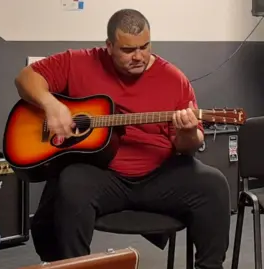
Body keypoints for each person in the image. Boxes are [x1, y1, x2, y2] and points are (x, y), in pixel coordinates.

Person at [14, 8, 230, 269]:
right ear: (109, 46)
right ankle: (72, 266)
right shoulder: (79, 62)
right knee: (69, 184)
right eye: (128, 50)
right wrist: (50, 105)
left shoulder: (174, 79)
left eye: (145, 47)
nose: (138, 56)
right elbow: (25, 78)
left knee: (214, 185)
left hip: (159, 175)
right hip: (103, 174)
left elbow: (188, 147)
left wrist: (187, 133)